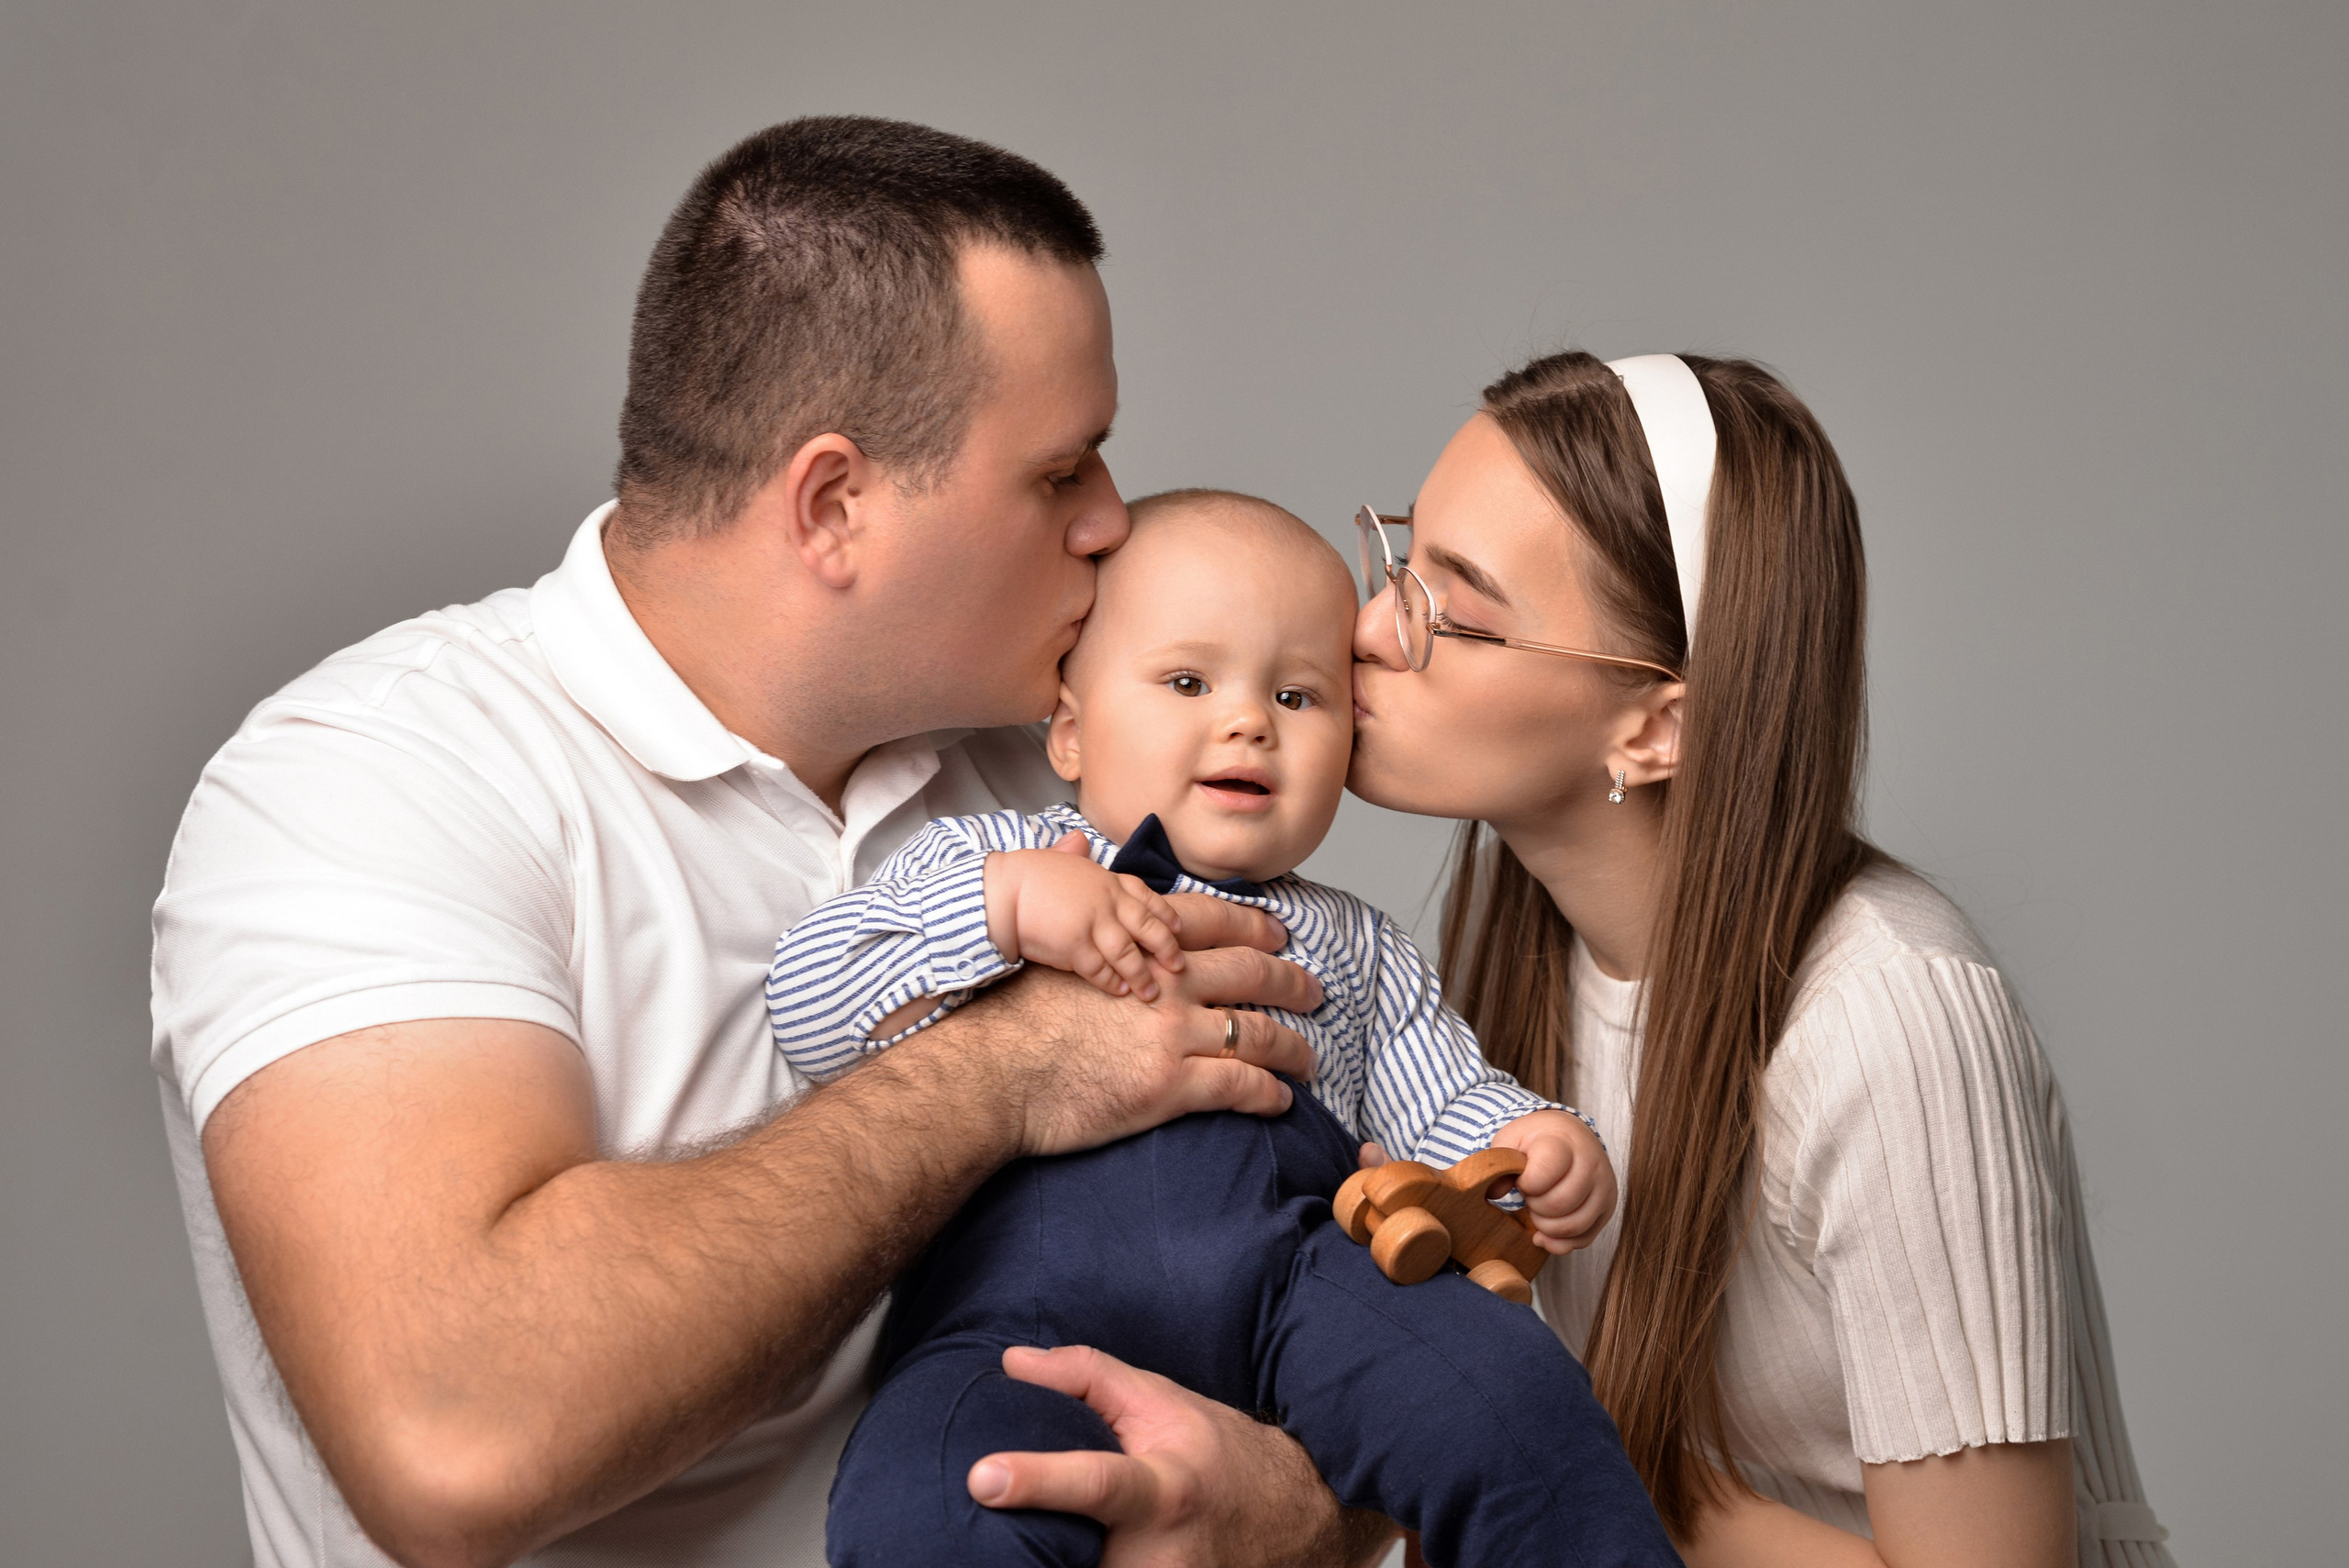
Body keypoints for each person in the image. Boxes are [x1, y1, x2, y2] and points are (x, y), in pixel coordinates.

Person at [150, 118, 1397, 1568]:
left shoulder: (1071, 766)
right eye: (1063, 473)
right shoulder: (371, 782)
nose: (1116, 524)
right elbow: (460, 1427)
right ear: (833, 504)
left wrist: (1306, 1517)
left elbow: (1309, 1253)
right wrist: (1005, 1069)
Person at [1345, 350, 2175, 1568]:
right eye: (1401, 560)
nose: (1368, 628)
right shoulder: (1501, 978)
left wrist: (1567, 1446)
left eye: (1451, 609)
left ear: (1657, 724)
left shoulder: (1892, 1022)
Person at [767, 489, 1672, 1568]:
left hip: (1298, 1295)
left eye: (1299, 693)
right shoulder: (996, 854)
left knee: (1508, 1389)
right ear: (1067, 727)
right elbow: (810, 1001)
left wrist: (1533, 1143)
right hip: (1016, 1314)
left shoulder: (1350, 938)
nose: (1248, 721)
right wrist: (1002, 909)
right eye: (1189, 681)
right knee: (935, 1497)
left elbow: (1441, 1099)